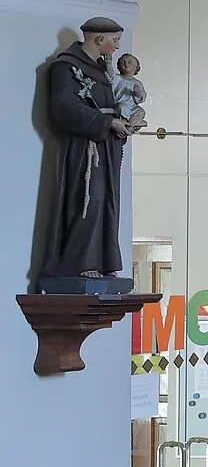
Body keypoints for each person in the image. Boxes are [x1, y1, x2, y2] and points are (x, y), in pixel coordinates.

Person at [38, 17, 139, 284]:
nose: (117, 48)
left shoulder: (102, 71)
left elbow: (115, 102)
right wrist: (108, 122)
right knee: (87, 201)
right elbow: (64, 108)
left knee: (107, 203)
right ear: (98, 40)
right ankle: (80, 262)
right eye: (114, 41)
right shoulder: (67, 66)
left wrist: (126, 121)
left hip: (106, 145)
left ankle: (104, 261)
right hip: (86, 148)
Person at [111, 52, 148, 130]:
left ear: (136, 67)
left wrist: (138, 93)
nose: (126, 64)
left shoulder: (137, 83)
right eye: (123, 62)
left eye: (130, 62)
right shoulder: (118, 78)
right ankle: (128, 124)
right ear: (119, 66)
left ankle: (130, 124)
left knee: (141, 111)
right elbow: (110, 76)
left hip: (132, 107)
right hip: (120, 104)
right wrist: (108, 64)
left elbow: (141, 98)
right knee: (120, 107)